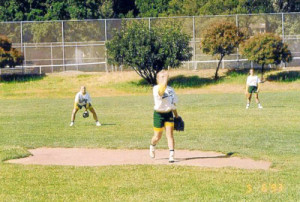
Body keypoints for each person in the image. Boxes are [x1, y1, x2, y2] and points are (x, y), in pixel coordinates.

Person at [150, 70, 179, 163]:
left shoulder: (171, 90)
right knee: (157, 137)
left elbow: (173, 104)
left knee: (170, 135)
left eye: (165, 76)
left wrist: (176, 116)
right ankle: (152, 146)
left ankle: (171, 155)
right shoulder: (156, 88)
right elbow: (161, 92)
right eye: (161, 77)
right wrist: (164, 81)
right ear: (157, 79)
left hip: (168, 114)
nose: (164, 78)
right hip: (158, 114)